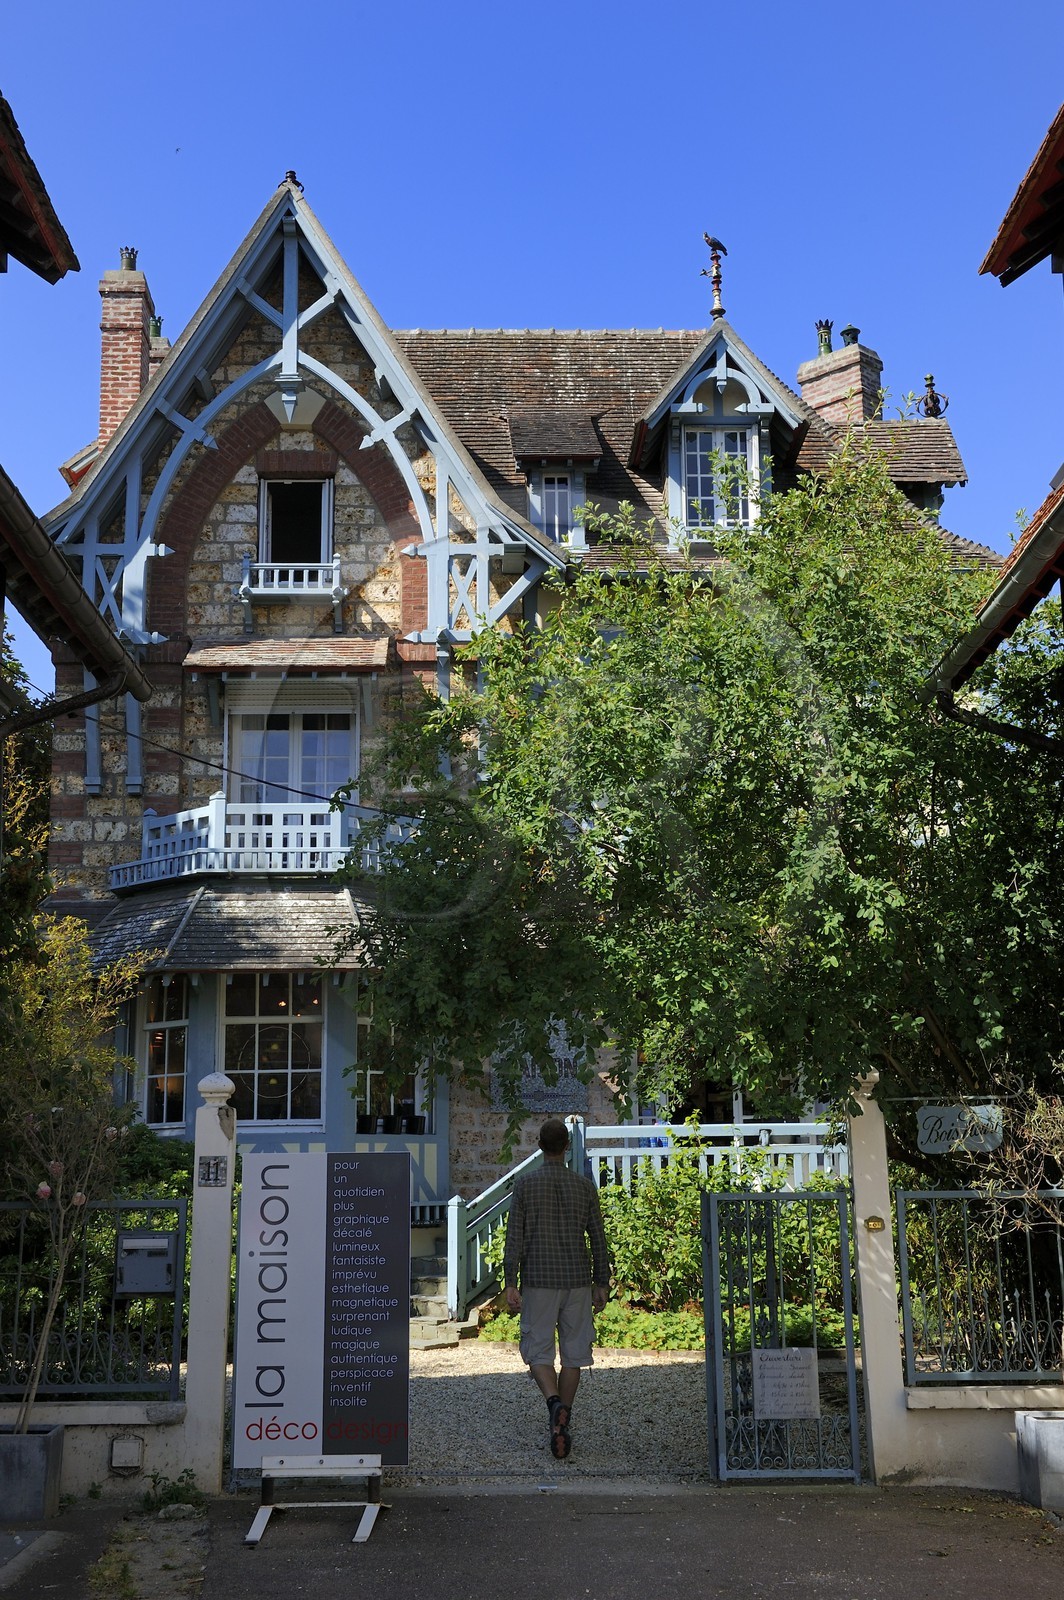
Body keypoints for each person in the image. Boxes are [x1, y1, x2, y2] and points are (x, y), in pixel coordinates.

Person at [503, 1117, 611, 1460]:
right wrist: (602, 1281)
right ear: (567, 1147)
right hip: (577, 1280)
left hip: (538, 1279)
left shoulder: (525, 1186)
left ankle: (553, 1405)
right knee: (575, 1355)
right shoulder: (584, 1187)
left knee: (537, 1352)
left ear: (539, 1145)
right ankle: (562, 1419)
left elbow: (514, 1239)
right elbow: (598, 1238)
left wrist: (509, 1281)